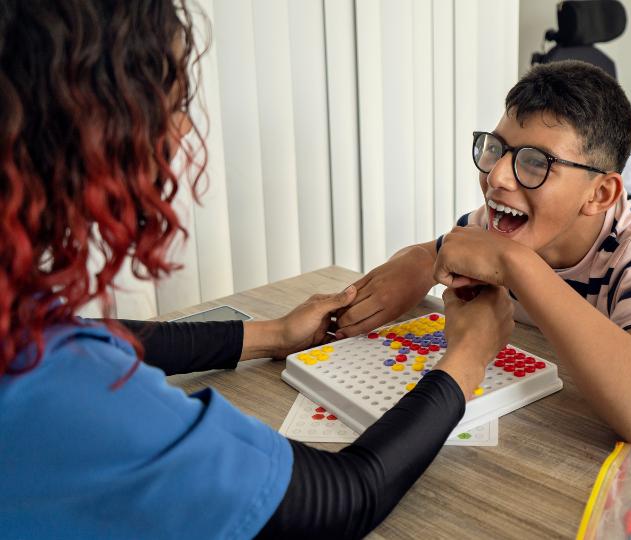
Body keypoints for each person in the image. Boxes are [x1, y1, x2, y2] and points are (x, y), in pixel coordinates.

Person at [0, 1, 513, 538]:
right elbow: (346, 496)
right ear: (87, 130)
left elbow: (76, 339)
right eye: (169, 104)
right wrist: (467, 361)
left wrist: (271, 335)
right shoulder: (72, 404)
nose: (180, 133)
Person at [334, 61, 631, 447]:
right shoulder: (499, 225)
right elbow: (440, 253)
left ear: (599, 194)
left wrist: (516, 263)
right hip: (524, 425)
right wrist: (417, 261)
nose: (497, 177)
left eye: (536, 162)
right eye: (496, 149)